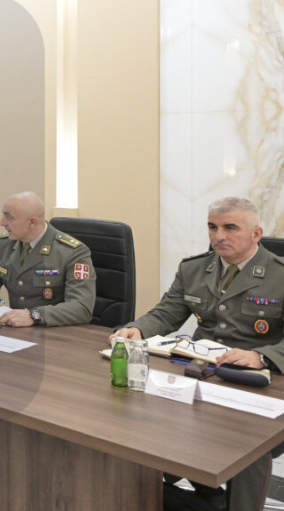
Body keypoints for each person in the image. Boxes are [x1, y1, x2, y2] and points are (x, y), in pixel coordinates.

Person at [112, 197, 283, 511]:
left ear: (256, 234)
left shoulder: (279, 274)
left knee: (250, 445)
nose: (219, 235)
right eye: (212, 227)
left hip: (259, 381)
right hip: (201, 373)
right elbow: (166, 313)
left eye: (230, 228)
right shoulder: (193, 269)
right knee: (139, 418)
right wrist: (137, 329)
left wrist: (262, 356)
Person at [0, 191, 95, 327]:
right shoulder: (5, 245)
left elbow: (81, 307)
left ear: (33, 222)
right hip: (16, 330)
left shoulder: (72, 252)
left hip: (55, 333)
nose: (2, 223)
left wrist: (34, 315)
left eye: (9, 217)